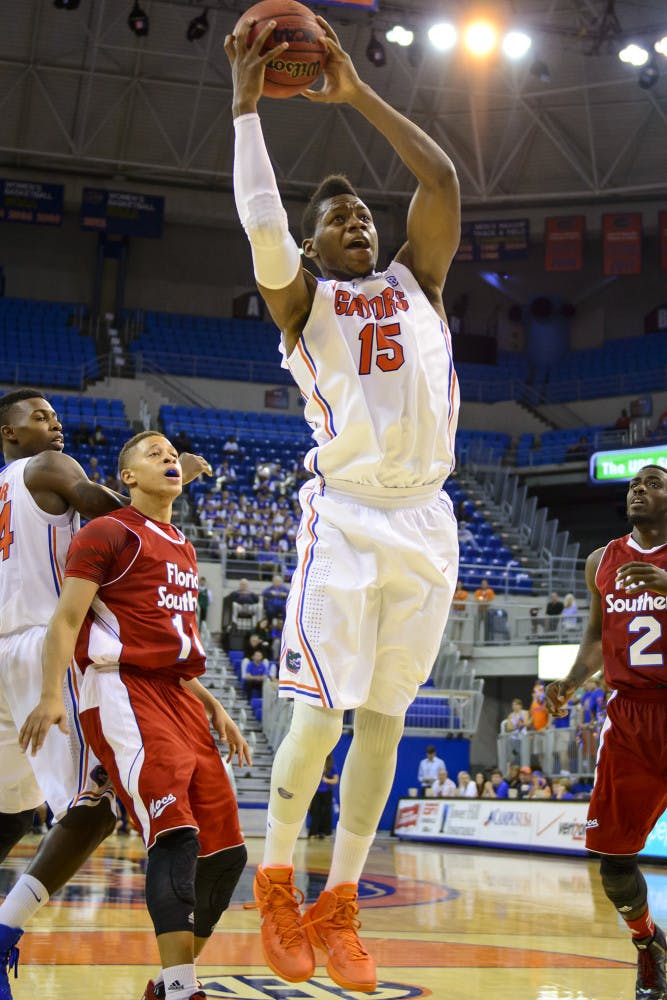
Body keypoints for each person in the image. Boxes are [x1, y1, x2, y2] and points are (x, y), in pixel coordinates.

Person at [225, 12, 460, 993]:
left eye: (362, 210)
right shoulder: (305, 304)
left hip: (429, 522)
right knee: (318, 721)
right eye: (337, 219)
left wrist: (356, 94)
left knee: (386, 724)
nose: (355, 217)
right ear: (316, 247)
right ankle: (277, 877)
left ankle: (341, 902)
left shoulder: (421, 281)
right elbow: (262, 224)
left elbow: (440, 183)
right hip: (349, 516)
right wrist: (245, 102)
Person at [19, 431, 250, 1000]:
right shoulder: (107, 532)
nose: (169, 460)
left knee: (226, 854)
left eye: (173, 455)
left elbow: (166, 643)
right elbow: (67, 620)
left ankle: (166, 981)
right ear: (126, 477)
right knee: (174, 831)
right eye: (155, 454)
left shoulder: (183, 545)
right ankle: (180, 989)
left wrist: (214, 704)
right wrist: (52, 693)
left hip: (177, 696)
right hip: (121, 689)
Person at [546, 464, 667, 999]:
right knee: (615, 863)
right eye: (633, 485)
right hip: (630, 718)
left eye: (653, 482)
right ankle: (648, 946)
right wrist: (572, 681)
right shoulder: (603, 561)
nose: (638, 489)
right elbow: (596, 636)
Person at [308, 754, 339, 839]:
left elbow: (336, 780)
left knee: (327, 812)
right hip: (316, 792)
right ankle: (313, 833)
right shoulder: (315, 763)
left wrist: (327, 780)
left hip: (326, 792)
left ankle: (326, 833)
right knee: (315, 812)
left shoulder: (331, 765)